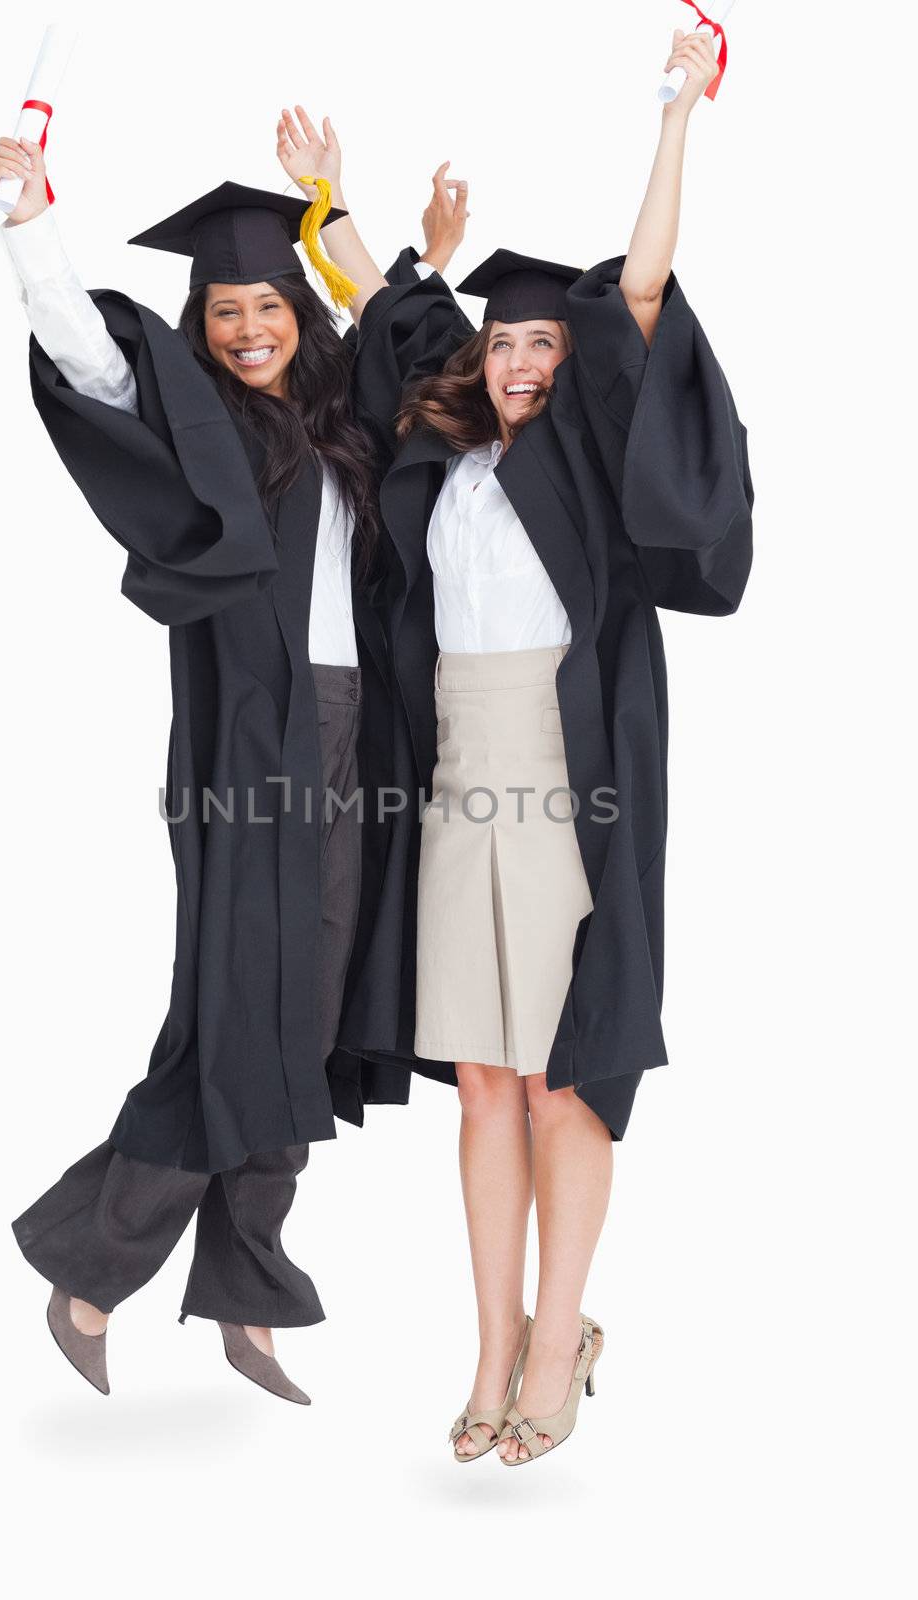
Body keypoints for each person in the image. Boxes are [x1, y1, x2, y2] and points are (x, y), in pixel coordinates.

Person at [278, 24, 752, 1466]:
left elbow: (645, 282)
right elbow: (387, 304)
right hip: (452, 777)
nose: (523, 357)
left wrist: (675, 113)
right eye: (509, 341)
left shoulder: (587, 457)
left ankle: (560, 1340)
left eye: (547, 339)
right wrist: (330, 200)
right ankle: (491, 1341)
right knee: (480, 1076)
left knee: (562, 1066)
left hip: (565, 763)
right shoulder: (452, 449)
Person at [0, 131, 466, 1400]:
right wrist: (31, 228)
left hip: (356, 735)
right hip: (253, 745)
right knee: (235, 1012)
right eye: (222, 311)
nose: (247, 326)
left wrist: (343, 211)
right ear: (196, 328)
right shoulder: (199, 425)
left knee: (305, 1015)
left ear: (294, 315)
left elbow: (432, 363)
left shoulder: (338, 419)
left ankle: (246, 1283)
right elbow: (90, 358)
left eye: (265, 304)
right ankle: (93, 1265)